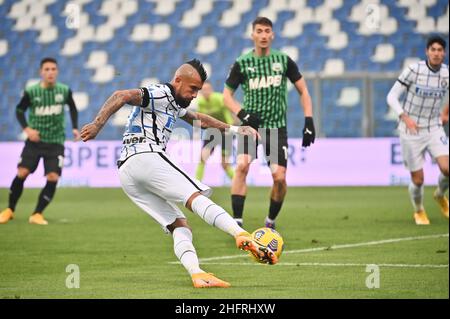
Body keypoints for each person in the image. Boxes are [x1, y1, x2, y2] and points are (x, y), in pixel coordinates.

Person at [80, 59, 277, 288]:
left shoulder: (173, 102)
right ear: (178, 80)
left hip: (127, 172)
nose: (195, 95)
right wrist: (97, 124)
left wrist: (234, 129)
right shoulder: (160, 92)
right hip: (146, 155)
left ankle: (197, 274)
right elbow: (121, 95)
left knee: (179, 225)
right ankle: (242, 234)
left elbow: (199, 120)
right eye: (192, 88)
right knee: (195, 198)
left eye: (198, 90)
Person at [223, 17, 315, 229]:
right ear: (252, 35)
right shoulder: (242, 63)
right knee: (242, 166)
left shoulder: (283, 61)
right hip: (249, 127)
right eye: (259, 31)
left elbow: (304, 90)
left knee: (279, 177)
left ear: (272, 35)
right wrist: (242, 113)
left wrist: (309, 119)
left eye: (267, 31)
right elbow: (226, 96)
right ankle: (237, 224)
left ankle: (270, 222)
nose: (263, 35)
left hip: (275, 128)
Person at [0, 57, 79, 225]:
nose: (50, 72)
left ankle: (37, 214)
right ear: (41, 72)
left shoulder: (64, 91)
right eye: (47, 69)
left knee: (52, 177)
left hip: (56, 142)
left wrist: (74, 127)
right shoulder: (32, 91)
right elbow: (19, 110)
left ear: (57, 71)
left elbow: (72, 107)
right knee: (22, 172)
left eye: (53, 69)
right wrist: (27, 130)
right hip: (35, 142)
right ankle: (9, 210)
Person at [387, 35, 449, 225]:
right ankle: (419, 210)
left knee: (447, 169)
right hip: (410, 129)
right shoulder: (414, 70)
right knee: (418, 179)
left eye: (440, 50)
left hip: (434, 127)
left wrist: (445, 113)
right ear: (427, 51)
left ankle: (440, 195)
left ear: (444, 53)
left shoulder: (447, 73)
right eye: (433, 49)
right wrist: (404, 117)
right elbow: (391, 96)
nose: (437, 53)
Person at [195, 81, 235, 182]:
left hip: (225, 131)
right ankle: (196, 185)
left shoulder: (219, 98)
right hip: (212, 132)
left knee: (225, 165)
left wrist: (229, 128)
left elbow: (228, 115)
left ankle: (237, 182)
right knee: (202, 158)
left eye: (208, 89)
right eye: (203, 90)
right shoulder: (200, 102)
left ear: (211, 90)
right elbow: (201, 120)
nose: (206, 92)